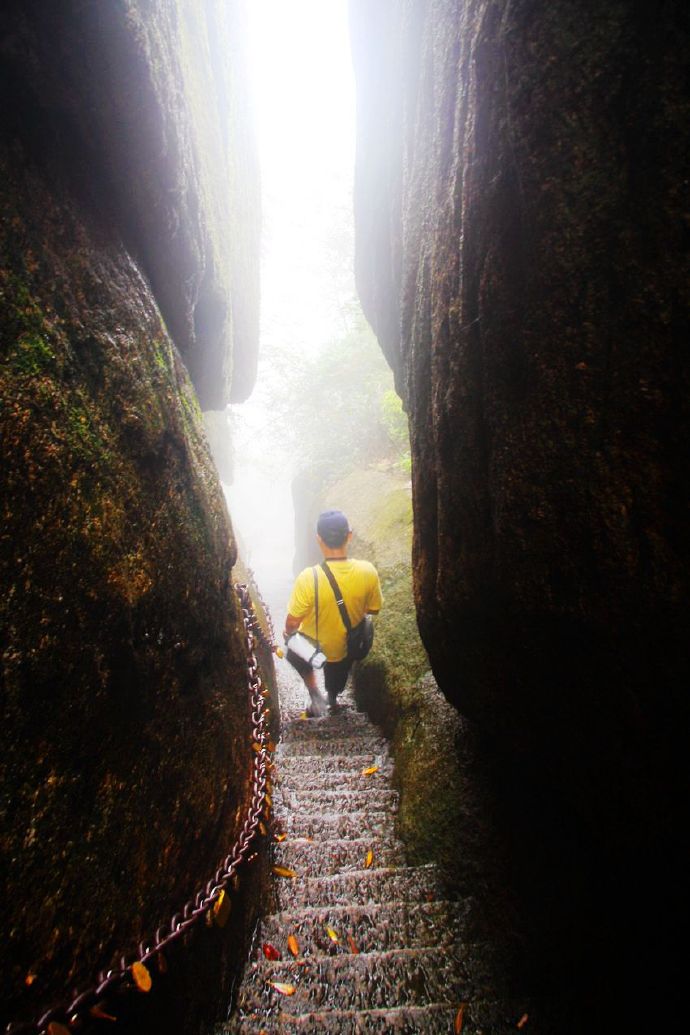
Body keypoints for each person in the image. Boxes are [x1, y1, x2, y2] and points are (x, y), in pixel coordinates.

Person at [284, 509, 383, 716]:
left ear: (318, 539)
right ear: (349, 535)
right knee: (337, 679)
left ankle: (313, 692)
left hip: (312, 647)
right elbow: (373, 609)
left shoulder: (308, 578)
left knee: (292, 647)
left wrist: (289, 633)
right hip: (345, 648)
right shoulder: (368, 571)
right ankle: (332, 698)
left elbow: (292, 623)